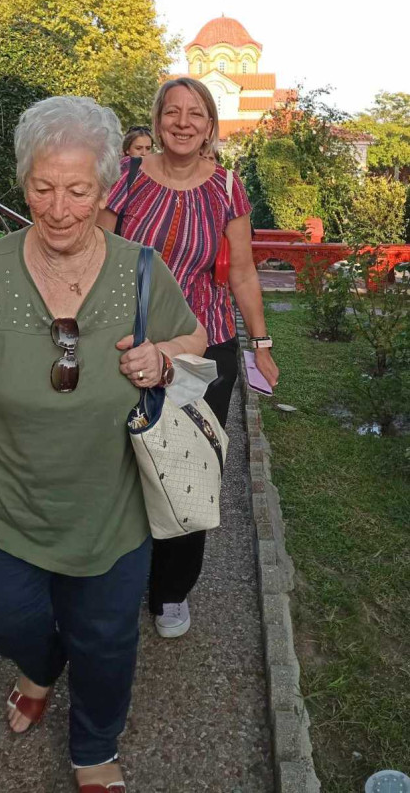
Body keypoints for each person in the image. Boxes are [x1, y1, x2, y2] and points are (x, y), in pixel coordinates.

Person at [0, 96, 207, 793]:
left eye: (78, 191)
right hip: (6, 500)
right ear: (24, 184)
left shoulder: (141, 269)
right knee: (2, 620)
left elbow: (195, 338)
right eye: (42, 188)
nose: (58, 209)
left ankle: (95, 748)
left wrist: (162, 358)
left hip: (111, 506)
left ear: (105, 190)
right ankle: (42, 665)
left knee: (106, 640)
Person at [98, 77, 279, 640]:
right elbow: (96, 256)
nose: (182, 122)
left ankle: (171, 589)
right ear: (157, 121)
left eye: (195, 113)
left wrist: (261, 344)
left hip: (206, 350)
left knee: (186, 465)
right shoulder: (127, 177)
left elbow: (242, 271)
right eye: (172, 112)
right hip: (128, 343)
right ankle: (114, 577)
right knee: (119, 462)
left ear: (209, 126)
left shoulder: (226, 187)